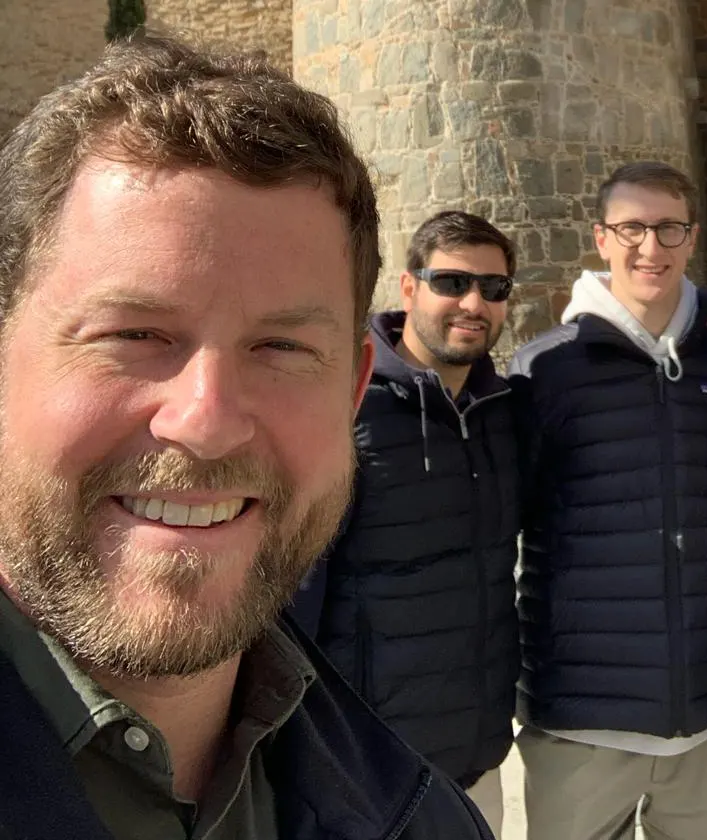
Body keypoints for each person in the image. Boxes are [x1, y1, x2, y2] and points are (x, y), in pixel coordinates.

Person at [0, 34, 492, 839]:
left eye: (283, 348)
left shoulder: (422, 820)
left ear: (353, 390)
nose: (206, 420)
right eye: (133, 334)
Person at [507, 161, 707, 840]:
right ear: (600, 238)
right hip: (582, 721)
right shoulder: (544, 371)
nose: (650, 247)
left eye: (668, 228)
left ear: (691, 237)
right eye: (631, 229)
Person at [292, 210, 520, 836]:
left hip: (474, 767)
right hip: (366, 776)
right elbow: (295, 595)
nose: (473, 302)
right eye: (451, 282)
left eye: (493, 289)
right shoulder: (347, 407)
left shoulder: (503, 410)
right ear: (409, 287)